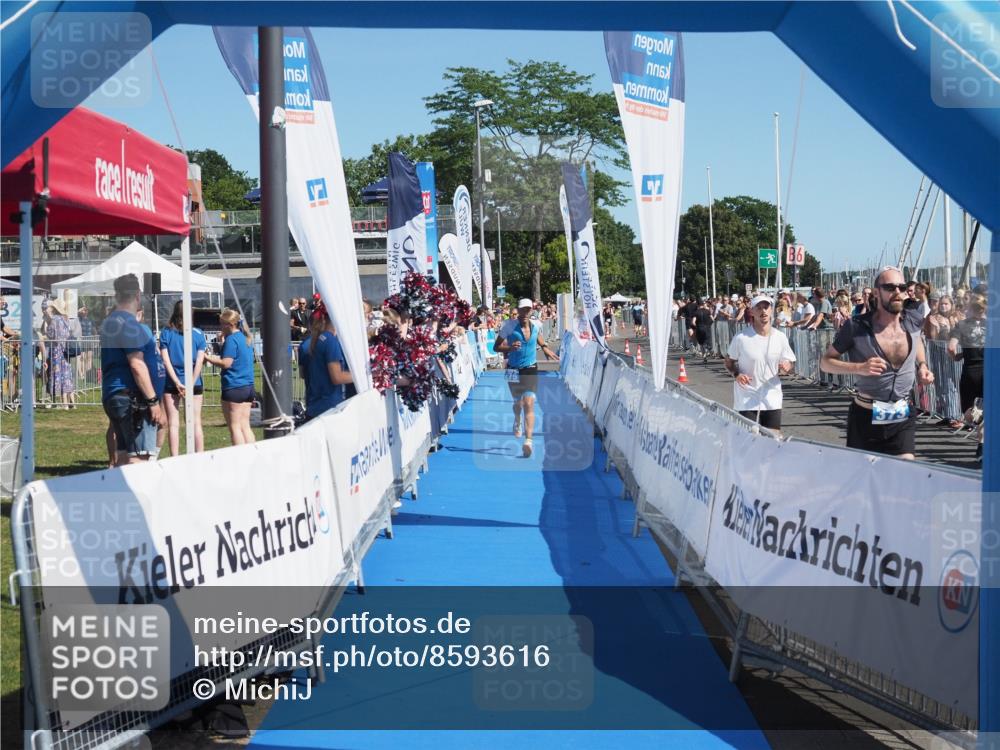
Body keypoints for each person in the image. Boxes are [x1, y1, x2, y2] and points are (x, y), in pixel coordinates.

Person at [819, 266, 934, 460]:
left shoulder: (913, 321)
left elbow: (918, 342)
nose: (897, 292)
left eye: (901, 287)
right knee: (865, 475)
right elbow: (825, 362)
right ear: (876, 292)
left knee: (905, 468)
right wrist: (860, 367)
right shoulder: (857, 326)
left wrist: (922, 365)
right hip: (866, 416)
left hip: (901, 413)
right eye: (889, 287)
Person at [100, 274, 166, 466]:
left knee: (123, 454)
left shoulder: (111, 322)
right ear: (138, 295)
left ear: (117, 295)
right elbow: (137, 364)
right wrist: (152, 400)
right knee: (139, 457)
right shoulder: (128, 324)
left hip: (116, 394)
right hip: (132, 398)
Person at [494, 298, 559, 458]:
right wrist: (510, 347)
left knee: (529, 403)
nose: (524, 312)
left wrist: (545, 348)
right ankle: (517, 419)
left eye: (527, 309)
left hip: (530, 368)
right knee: (518, 404)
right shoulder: (508, 326)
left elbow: (538, 337)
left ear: (531, 311)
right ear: (518, 310)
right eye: (522, 309)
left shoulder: (536, 324)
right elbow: (496, 347)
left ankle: (528, 441)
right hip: (513, 369)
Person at [724, 295, 796, 433]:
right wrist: (737, 374)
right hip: (747, 398)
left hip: (772, 397)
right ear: (751, 311)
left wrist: (787, 366)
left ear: (771, 310)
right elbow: (729, 361)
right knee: (749, 440)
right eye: (759, 308)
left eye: (766, 307)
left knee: (773, 440)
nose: (763, 311)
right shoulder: (741, 338)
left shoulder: (780, 337)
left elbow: (791, 362)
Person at [159, 300, 207, 456]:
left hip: (172, 382)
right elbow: (199, 361)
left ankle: (175, 457)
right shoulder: (198, 334)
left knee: (173, 423)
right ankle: (199, 456)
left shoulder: (166, 333)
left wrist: (177, 382)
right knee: (195, 422)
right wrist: (191, 383)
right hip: (193, 382)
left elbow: (165, 359)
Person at [203, 308, 256, 445]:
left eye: (222, 324)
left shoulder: (231, 340)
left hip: (234, 386)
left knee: (235, 427)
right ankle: (252, 454)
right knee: (245, 426)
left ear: (229, 324)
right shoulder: (245, 339)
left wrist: (207, 358)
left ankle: (239, 455)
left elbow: (226, 363)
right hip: (248, 387)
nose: (220, 327)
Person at [948, 293, 986, 460]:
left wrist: (957, 356)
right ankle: (982, 445)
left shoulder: (961, 325)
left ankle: (982, 442)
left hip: (970, 371)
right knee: (988, 408)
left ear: (970, 308)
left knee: (967, 411)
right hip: (988, 369)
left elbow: (951, 347)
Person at [303, 301, 353, 422]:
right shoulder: (330, 341)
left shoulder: (319, 338)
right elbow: (337, 377)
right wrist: (364, 375)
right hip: (328, 407)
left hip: (317, 405)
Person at [39, 298, 76, 409]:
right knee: (66, 375)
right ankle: (71, 403)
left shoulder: (54, 320)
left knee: (58, 375)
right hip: (64, 350)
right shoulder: (65, 319)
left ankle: (64, 403)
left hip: (56, 351)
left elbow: (51, 335)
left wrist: (42, 336)